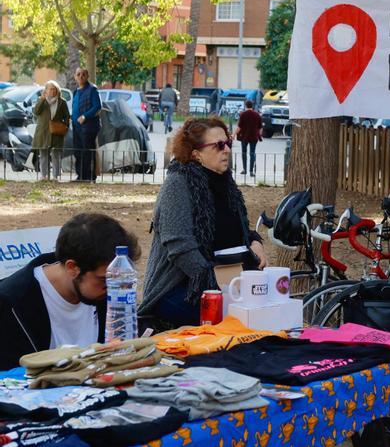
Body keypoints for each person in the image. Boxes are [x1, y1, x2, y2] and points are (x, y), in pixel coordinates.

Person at [139, 117, 268, 328]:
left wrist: (255, 242)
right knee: (240, 321)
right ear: (196, 154)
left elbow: (235, 229)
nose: (226, 150)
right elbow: (179, 246)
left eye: (228, 143)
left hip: (227, 282)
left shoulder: (226, 183)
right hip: (179, 289)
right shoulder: (177, 184)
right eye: (218, 145)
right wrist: (213, 286)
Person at [0, 213, 140, 370]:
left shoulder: (105, 291)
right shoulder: (11, 305)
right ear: (72, 268)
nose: (115, 287)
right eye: (104, 280)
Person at [32, 80, 71, 181]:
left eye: (55, 89)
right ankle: (44, 176)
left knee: (56, 155)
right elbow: (36, 112)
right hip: (43, 131)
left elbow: (67, 117)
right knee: (43, 154)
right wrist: (42, 99)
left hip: (56, 131)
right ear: (46, 90)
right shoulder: (41, 100)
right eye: (51, 89)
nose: (53, 91)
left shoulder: (62, 102)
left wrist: (64, 126)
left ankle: (55, 176)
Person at [71, 68, 101, 182]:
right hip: (76, 127)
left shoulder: (92, 90)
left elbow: (97, 106)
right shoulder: (75, 91)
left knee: (87, 151)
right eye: (78, 74)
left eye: (83, 74)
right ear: (75, 77)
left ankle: (89, 176)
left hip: (88, 127)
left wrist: (85, 116)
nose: (81, 76)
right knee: (78, 151)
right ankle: (80, 176)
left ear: (87, 76)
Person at [235, 100, 262, 177]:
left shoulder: (243, 114)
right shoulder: (257, 115)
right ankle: (251, 171)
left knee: (244, 153)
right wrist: (259, 135)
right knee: (252, 153)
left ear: (246, 106)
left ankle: (244, 169)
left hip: (244, 137)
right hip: (254, 137)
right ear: (252, 106)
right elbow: (260, 127)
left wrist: (234, 134)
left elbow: (239, 127)